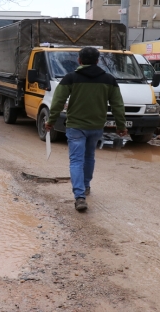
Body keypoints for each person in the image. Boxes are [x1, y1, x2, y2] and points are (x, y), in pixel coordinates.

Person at [44, 47, 127, 212]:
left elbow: (58, 101)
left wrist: (51, 121)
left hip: (75, 126)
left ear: (79, 60)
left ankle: (80, 196)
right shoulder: (109, 79)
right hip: (96, 126)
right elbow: (118, 105)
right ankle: (86, 186)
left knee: (76, 160)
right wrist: (121, 126)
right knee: (89, 157)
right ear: (98, 61)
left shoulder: (71, 78)